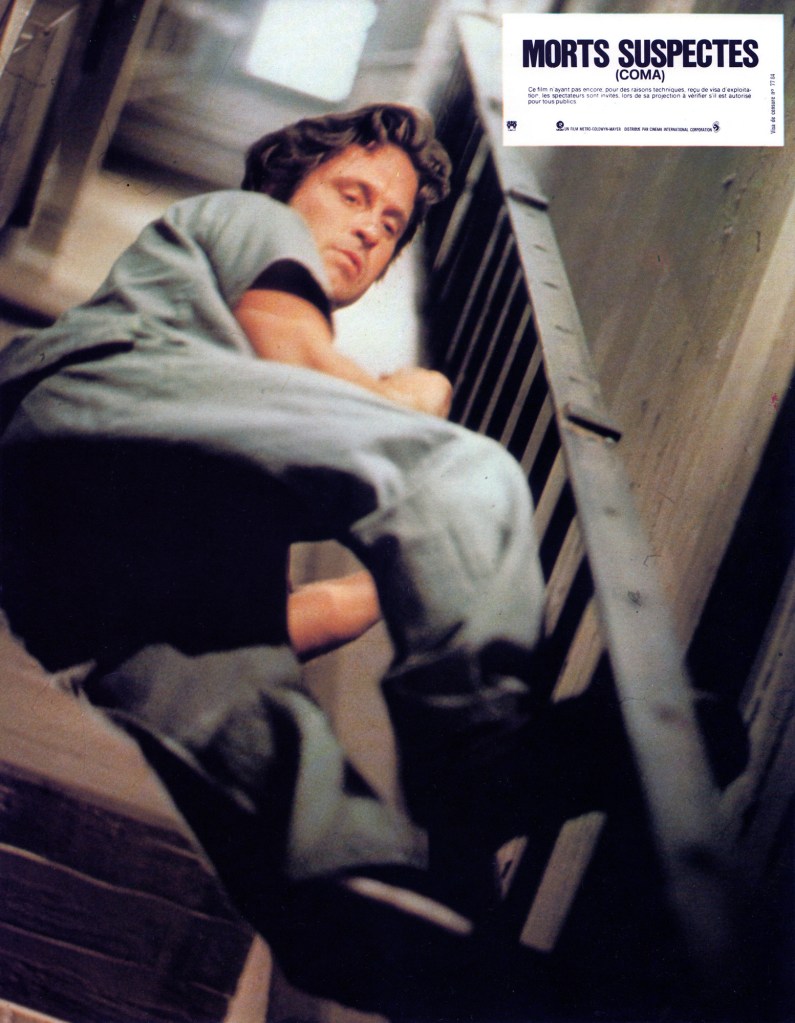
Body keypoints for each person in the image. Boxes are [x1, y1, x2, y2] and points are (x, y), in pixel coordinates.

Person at [0, 104, 576, 1019]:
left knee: (296, 800)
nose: (369, 227)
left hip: (91, 601)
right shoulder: (245, 220)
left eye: (390, 224)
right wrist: (408, 400)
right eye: (352, 194)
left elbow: (276, 622)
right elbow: (295, 351)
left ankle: (425, 947)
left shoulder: (246, 442)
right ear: (287, 188)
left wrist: (396, 581)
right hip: (99, 414)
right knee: (468, 472)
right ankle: (480, 752)